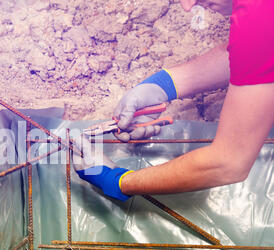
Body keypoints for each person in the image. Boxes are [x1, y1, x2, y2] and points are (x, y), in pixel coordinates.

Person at [74, 0, 274, 202]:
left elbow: (229, 163)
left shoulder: (259, 10)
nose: (188, 6)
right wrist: (163, 85)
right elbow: (256, 53)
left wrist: (118, 181)